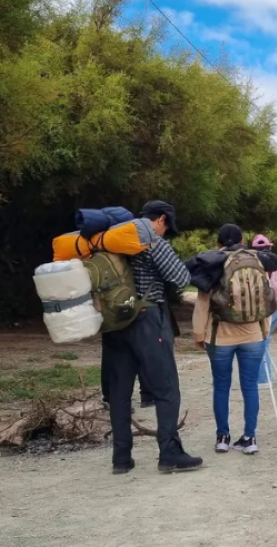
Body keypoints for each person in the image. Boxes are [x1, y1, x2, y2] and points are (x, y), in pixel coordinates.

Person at [102, 200, 200, 475]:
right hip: (147, 320)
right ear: (161, 220)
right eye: (167, 226)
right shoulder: (152, 240)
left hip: (114, 323)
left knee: (120, 392)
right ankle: (169, 453)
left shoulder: (111, 241)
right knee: (167, 388)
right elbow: (181, 278)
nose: (166, 231)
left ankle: (121, 458)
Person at [191, 225, 277, 455]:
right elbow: (267, 299)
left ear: (219, 243)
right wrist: (264, 331)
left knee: (221, 386)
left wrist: (199, 334)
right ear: (242, 240)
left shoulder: (213, 263)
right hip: (253, 336)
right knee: (250, 386)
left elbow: (203, 303)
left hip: (219, 336)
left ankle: (222, 437)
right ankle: (250, 438)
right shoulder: (257, 261)